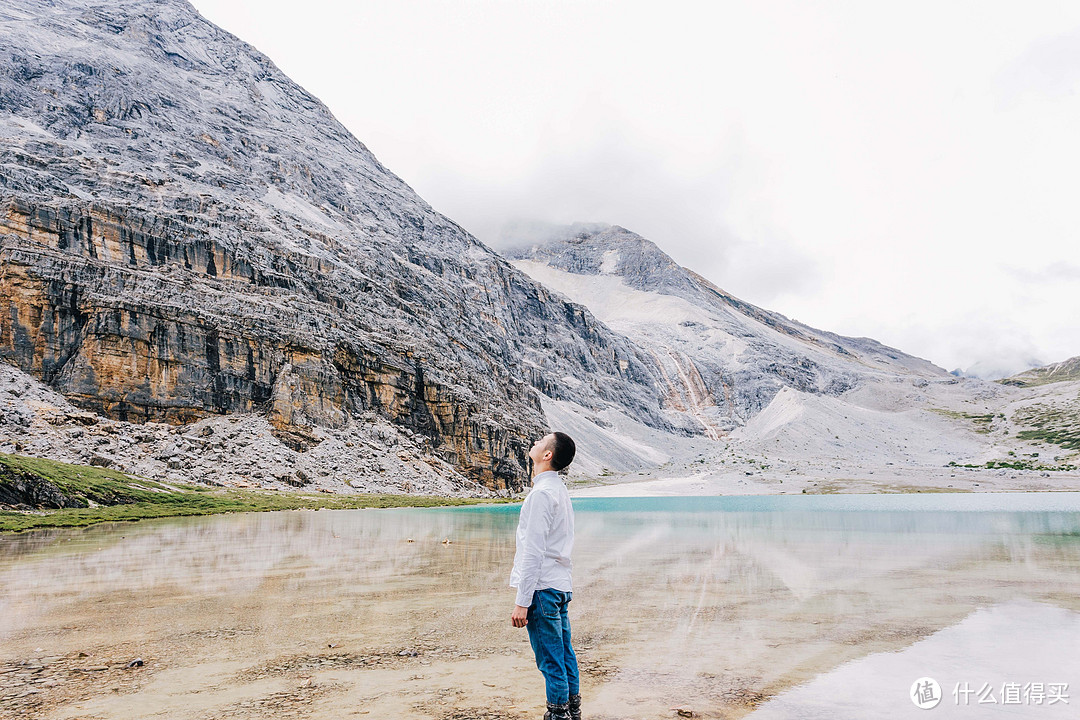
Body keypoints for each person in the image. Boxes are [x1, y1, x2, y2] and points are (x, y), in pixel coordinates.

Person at [510, 431, 581, 720]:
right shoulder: (559, 491)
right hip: (560, 585)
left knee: (551, 662)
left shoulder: (541, 495)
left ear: (548, 455)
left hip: (543, 589)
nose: (535, 443)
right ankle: (572, 714)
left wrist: (521, 601)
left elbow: (533, 552)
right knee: (565, 657)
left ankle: (558, 716)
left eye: (541, 441)